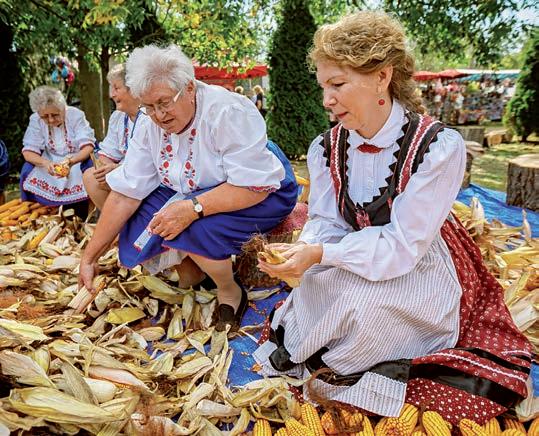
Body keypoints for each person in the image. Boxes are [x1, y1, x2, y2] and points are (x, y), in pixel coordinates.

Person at [255, 11, 530, 425]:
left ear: (382, 77)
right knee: (316, 290)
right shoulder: (326, 148)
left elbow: (404, 244)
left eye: (337, 84)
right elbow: (327, 221)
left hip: (417, 258)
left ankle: (367, 380)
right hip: (350, 251)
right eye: (323, 86)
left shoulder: (437, 146)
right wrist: (309, 250)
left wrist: (323, 254)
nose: (326, 99)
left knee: (364, 312)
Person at [78, 44, 297, 331]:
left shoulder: (227, 111)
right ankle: (196, 272)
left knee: (193, 226)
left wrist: (193, 208)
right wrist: (89, 258)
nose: (158, 115)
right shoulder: (149, 124)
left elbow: (254, 185)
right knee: (146, 218)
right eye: (149, 107)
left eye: (164, 103)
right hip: (195, 190)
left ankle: (229, 289)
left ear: (190, 88)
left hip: (261, 189)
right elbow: (125, 194)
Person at [20, 86, 95, 216]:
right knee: (27, 170)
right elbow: (28, 152)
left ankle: (83, 213)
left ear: (63, 108)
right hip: (49, 158)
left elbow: (88, 147)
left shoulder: (76, 115)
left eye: (55, 115)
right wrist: (45, 163)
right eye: (45, 116)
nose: (50, 120)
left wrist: (70, 162)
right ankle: (39, 213)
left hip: (77, 157)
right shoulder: (35, 119)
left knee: (88, 169)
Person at [83, 64, 143, 210]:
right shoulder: (118, 117)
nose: (112, 95)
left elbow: (149, 163)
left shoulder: (150, 117)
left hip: (144, 175)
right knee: (90, 176)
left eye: (116, 88)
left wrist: (116, 169)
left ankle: (126, 220)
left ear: (133, 89)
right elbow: (108, 152)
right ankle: (118, 222)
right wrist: (104, 168)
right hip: (123, 171)